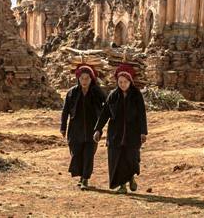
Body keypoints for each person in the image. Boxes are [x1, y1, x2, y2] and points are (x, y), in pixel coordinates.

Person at [93, 64, 148, 194]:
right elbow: (104, 114)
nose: (122, 84)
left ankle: (131, 178)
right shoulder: (113, 96)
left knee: (131, 158)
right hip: (115, 135)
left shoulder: (136, 95)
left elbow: (142, 114)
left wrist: (143, 132)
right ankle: (122, 185)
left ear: (130, 82)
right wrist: (98, 129)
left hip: (132, 134)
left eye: (125, 82)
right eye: (120, 82)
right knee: (117, 160)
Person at [60, 64, 106, 189]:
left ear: (91, 79)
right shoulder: (72, 93)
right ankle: (81, 176)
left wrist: (101, 125)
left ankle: (85, 179)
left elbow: (106, 106)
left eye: (87, 78)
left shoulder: (97, 92)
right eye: (82, 78)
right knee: (76, 153)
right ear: (78, 79)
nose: (84, 81)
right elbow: (65, 111)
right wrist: (63, 127)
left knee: (89, 154)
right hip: (75, 129)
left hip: (93, 128)